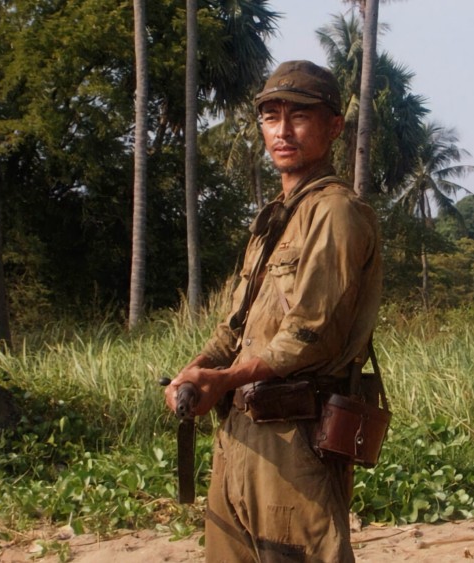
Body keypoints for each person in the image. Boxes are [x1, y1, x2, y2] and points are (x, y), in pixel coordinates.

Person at [164, 60, 382, 562]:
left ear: (333, 127)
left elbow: (311, 335)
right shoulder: (273, 221)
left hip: (296, 441)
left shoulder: (336, 212)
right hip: (239, 435)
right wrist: (194, 374)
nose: (282, 131)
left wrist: (226, 378)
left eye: (300, 116)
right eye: (271, 116)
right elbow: (233, 331)